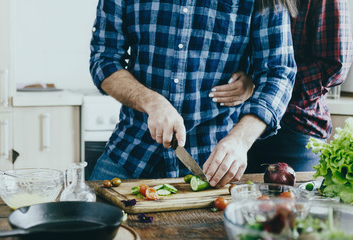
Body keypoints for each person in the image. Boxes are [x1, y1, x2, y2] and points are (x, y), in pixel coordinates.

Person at [89, 0, 297, 187]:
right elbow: (104, 59)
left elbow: (278, 74)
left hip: (214, 166)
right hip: (130, 154)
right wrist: (152, 102)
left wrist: (240, 140)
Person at [210, 0, 353, 172]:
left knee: (289, 197)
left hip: (294, 126)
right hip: (233, 122)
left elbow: (334, 66)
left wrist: (257, 85)